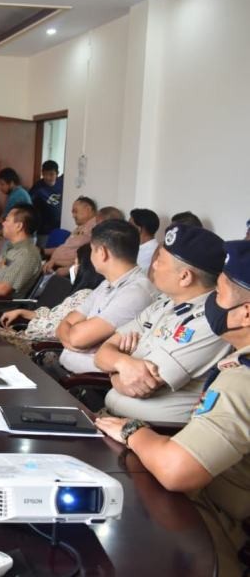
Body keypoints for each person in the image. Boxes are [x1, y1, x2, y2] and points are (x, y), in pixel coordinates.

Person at [95, 239, 250, 576]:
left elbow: (178, 471)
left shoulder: (242, 380)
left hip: (216, 513)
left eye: (219, 293)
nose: (212, 302)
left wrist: (132, 429)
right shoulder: (237, 364)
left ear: (246, 312)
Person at [94, 224, 232, 424]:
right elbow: (102, 353)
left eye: (160, 260)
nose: (154, 265)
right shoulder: (164, 303)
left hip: (154, 432)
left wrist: (116, 368)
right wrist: (123, 363)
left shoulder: (209, 322)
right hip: (112, 419)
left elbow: (142, 385)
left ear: (185, 277)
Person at [56, 219, 158, 374]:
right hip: (67, 374)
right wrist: (71, 340)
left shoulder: (136, 292)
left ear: (102, 252)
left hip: (88, 385)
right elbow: (65, 323)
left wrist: (73, 337)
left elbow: (77, 338)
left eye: (91, 249)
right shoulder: (106, 284)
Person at [0, 244, 104, 354]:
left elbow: (54, 328)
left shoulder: (85, 296)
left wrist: (21, 332)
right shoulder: (81, 294)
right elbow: (54, 316)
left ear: (86, 269)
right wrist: (23, 312)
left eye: (76, 264)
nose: (72, 268)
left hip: (35, 345)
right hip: (31, 337)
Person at [44, 196, 99, 275]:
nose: (73, 215)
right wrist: (43, 251)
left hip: (65, 271)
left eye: (75, 211)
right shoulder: (81, 227)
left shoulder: (94, 228)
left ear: (88, 209)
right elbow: (66, 247)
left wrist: (67, 268)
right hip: (53, 264)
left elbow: (87, 260)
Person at [30, 160, 64, 246]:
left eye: (51, 174)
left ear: (57, 173)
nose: (48, 177)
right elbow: (28, 204)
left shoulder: (62, 183)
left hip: (60, 226)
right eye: (45, 174)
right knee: (43, 253)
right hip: (43, 230)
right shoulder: (37, 188)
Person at [0, 168, 32, 238]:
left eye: (2, 184)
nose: (0, 187)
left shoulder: (16, 196)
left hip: (23, 236)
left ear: (11, 183)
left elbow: (8, 221)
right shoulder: (17, 192)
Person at [130, 208, 160, 273]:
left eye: (129, 225)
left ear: (139, 229)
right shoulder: (135, 246)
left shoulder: (153, 252)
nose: (126, 228)